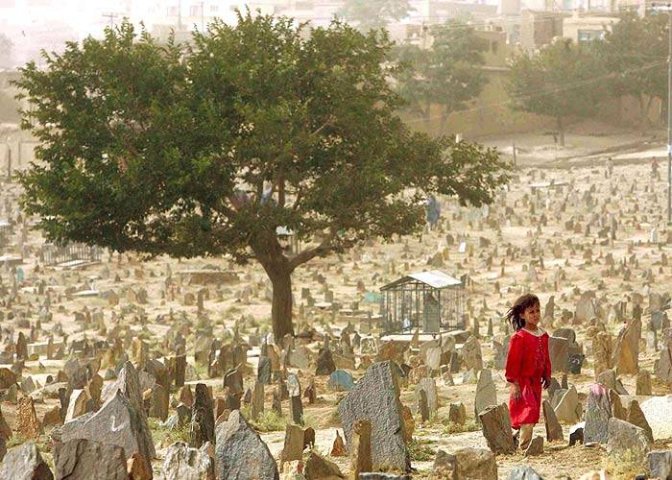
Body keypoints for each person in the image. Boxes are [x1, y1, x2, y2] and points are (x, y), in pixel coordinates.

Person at [504, 293, 551, 450]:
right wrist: (514, 384)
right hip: (523, 382)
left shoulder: (543, 335)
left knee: (532, 413)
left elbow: (546, 357)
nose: (535, 314)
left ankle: (516, 439)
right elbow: (513, 363)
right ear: (522, 315)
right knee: (528, 412)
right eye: (531, 312)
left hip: (535, 382)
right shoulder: (519, 338)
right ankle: (525, 447)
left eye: (537, 311)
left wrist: (547, 374)